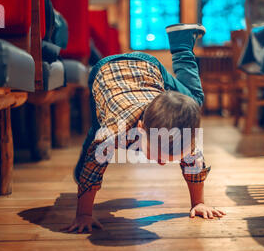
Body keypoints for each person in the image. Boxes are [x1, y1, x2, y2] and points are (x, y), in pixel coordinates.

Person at [62, 23, 225, 233]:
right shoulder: (114, 132)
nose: (161, 163)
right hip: (104, 72)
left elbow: (194, 164)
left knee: (190, 106)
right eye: (157, 155)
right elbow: (95, 171)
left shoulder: (185, 137)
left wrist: (198, 203)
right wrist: (84, 214)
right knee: (97, 134)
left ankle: (181, 41)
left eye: (169, 158)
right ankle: (182, 46)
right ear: (140, 128)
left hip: (146, 71)